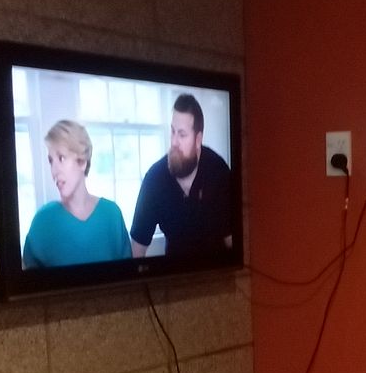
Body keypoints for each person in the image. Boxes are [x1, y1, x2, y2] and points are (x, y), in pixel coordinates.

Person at [130, 93, 232, 259]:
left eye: (182, 134)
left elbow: (232, 241)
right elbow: (137, 250)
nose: (174, 142)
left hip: (218, 271)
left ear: (198, 140)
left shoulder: (218, 171)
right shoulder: (154, 179)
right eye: (173, 132)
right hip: (175, 273)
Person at [23, 120, 132, 268]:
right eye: (51, 161)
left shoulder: (112, 215)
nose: (54, 171)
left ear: (82, 162)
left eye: (61, 158)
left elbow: (127, 277)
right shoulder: (42, 221)